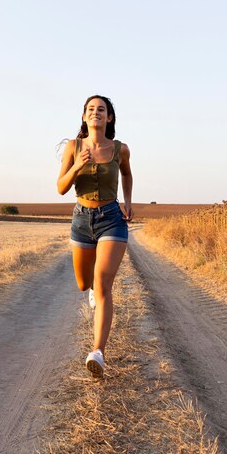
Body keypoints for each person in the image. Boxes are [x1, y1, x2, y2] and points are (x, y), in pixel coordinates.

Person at [57, 95, 133, 378]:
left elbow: (127, 174)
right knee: (84, 284)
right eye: (91, 109)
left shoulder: (120, 149)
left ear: (109, 118)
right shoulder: (73, 147)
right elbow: (61, 187)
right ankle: (92, 292)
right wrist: (78, 165)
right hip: (81, 220)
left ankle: (97, 352)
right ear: (84, 116)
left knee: (103, 285)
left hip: (112, 219)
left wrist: (128, 201)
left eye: (101, 109)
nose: (96, 113)